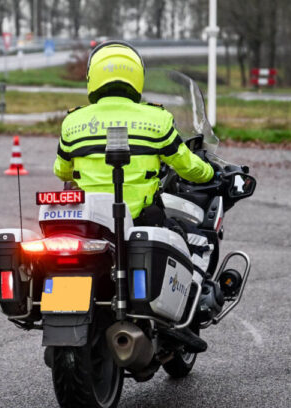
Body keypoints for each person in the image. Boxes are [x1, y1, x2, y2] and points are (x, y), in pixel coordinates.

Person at [53, 41, 216, 350]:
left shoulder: (73, 123)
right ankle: (185, 311)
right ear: (136, 77)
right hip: (143, 219)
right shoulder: (157, 120)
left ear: (94, 76)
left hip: (90, 224)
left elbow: (61, 170)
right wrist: (212, 174)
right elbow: (188, 167)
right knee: (199, 242)